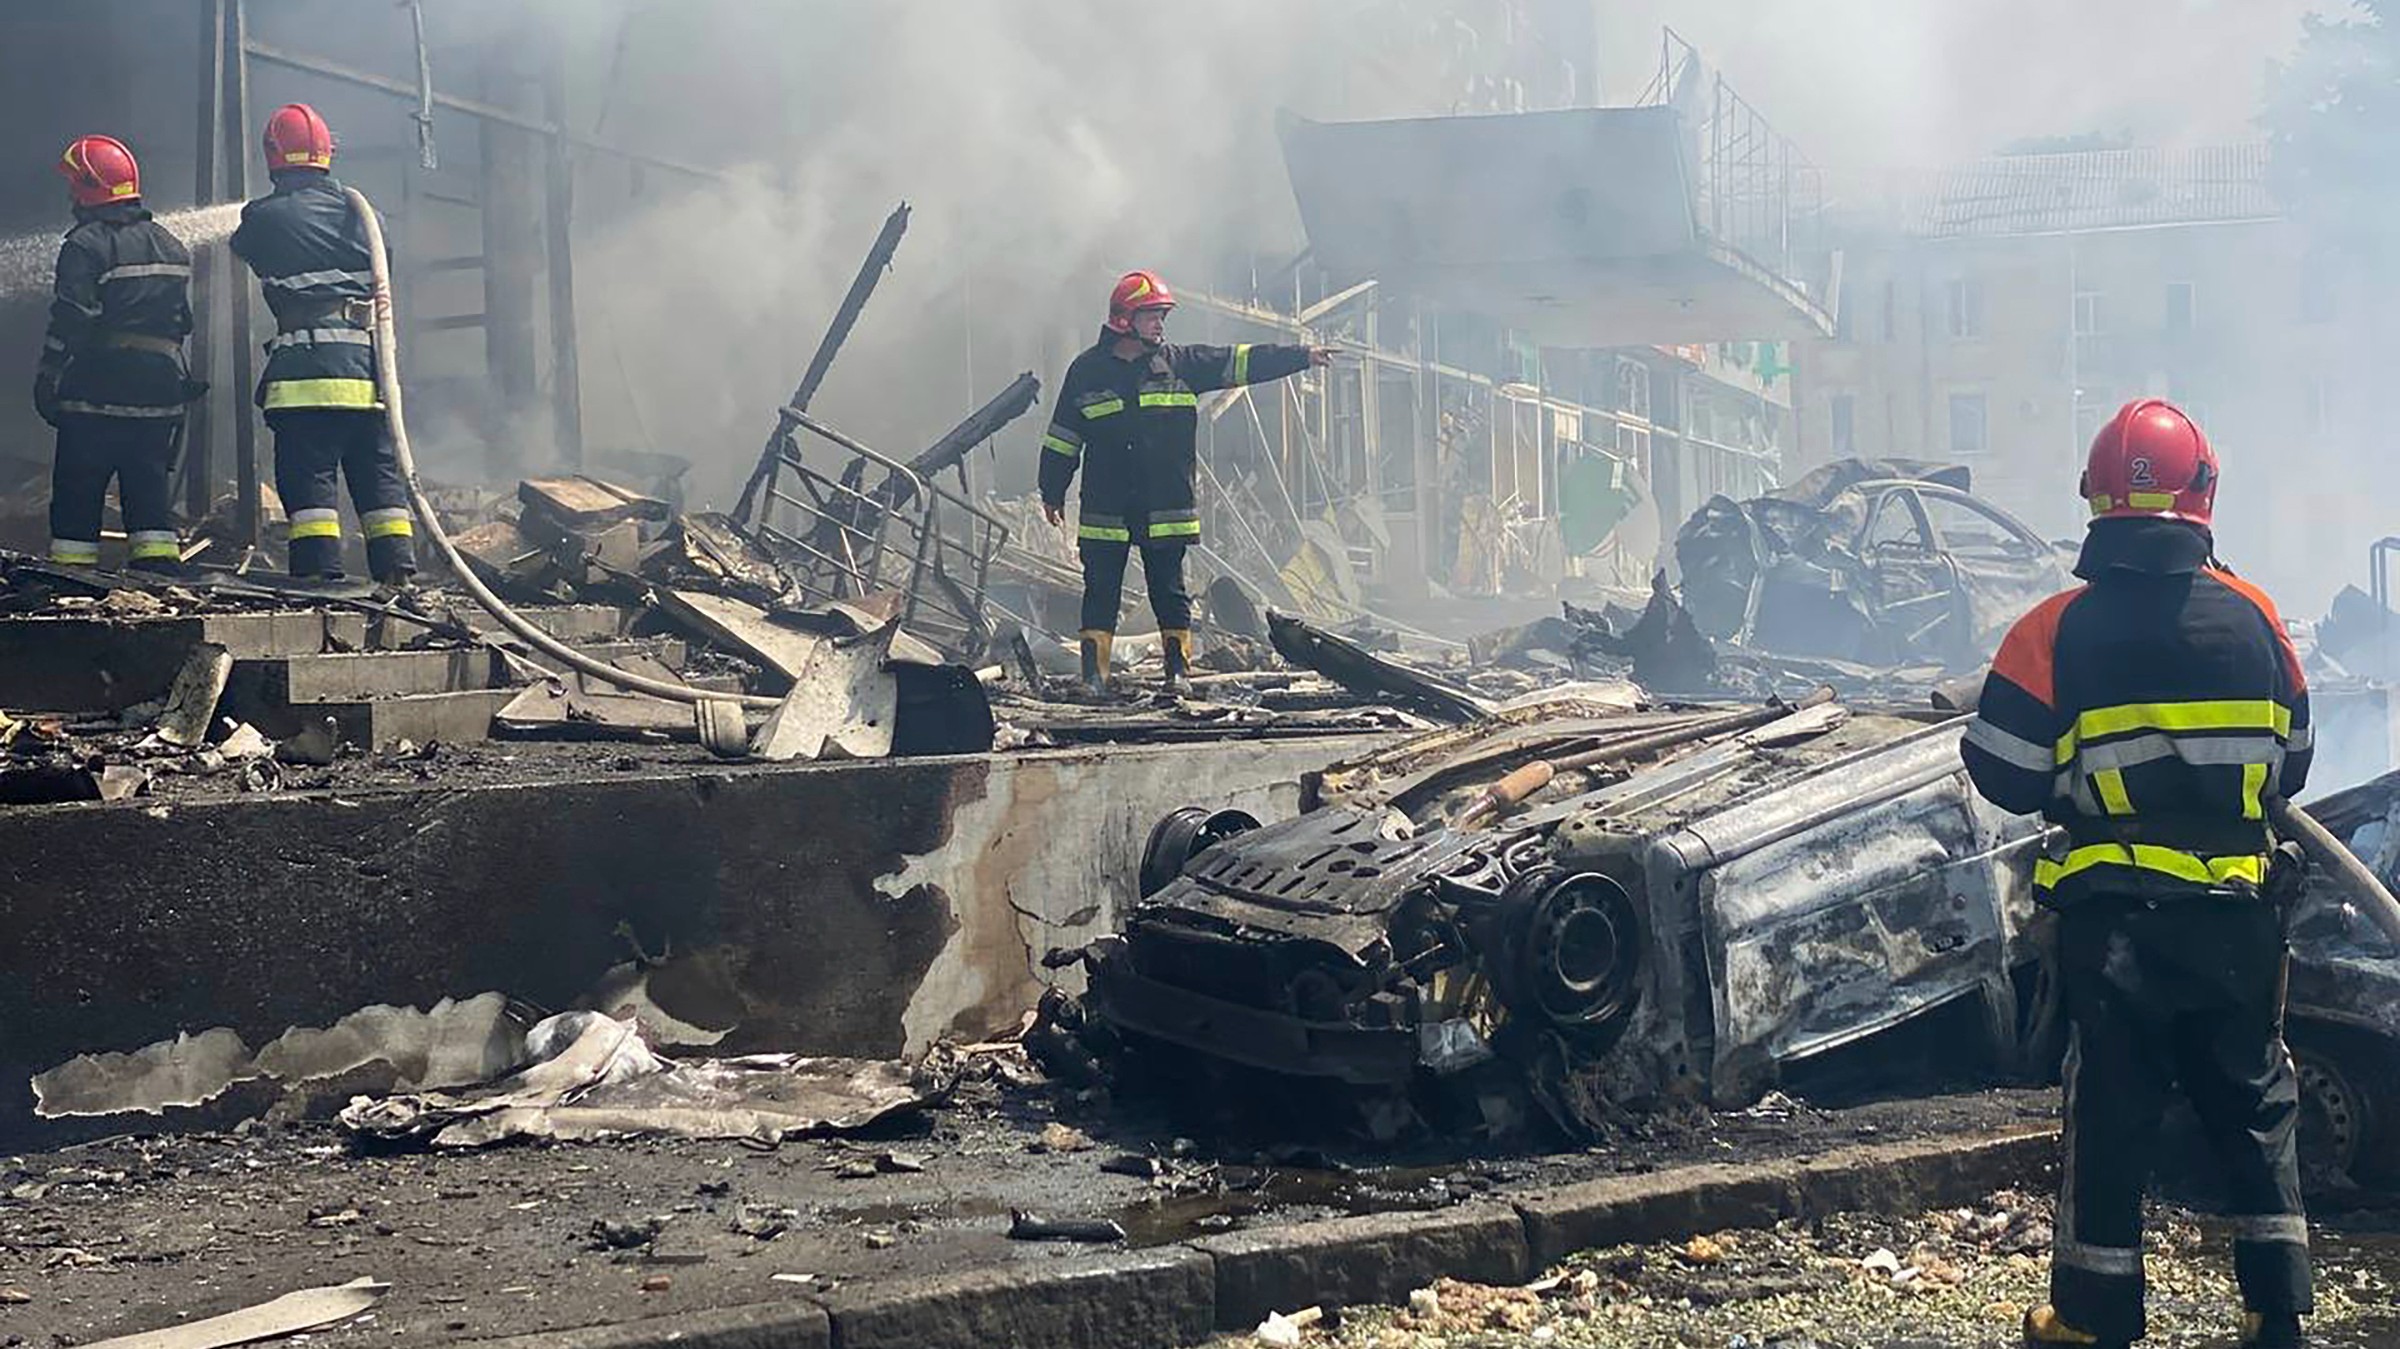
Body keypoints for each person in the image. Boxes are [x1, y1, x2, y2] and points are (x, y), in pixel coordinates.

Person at [1960, 399, 2313, 1349]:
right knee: (2255, 1102)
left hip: (2116, 924)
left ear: (2095, 497)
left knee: (2112, 1111)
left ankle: (2094, 1317)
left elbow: (2002, 771)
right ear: (2203, 494)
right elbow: (2294, 762)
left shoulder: (2053, 630)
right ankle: (2276, 1310)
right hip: (2236, 915)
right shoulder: (2257, 617)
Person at [1037, 270, 1328, 691]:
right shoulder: (1087, 372)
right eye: (1151, 315)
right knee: (1100, 591)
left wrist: (1301, 356)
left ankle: (1177, 672)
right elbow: (1063, 437)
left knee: (1169, 592)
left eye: (1162, 315)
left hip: (1165, 506)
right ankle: (1094, 677)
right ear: (1124, 319)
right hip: (1106, 507)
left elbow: (1241, 361)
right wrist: (1052, 490)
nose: (1160, 323)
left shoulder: (1182, 364)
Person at [229, 103, 415, 584]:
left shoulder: (265, 217)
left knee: (308, 477)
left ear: (273, 153)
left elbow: (243, 246)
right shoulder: (367, 216)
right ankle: (398, 576)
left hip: (307, 372)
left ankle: (320, 579)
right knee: (377, 475)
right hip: (367, 370)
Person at [38, 135, 193, 572]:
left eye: (74, 186)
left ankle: (71, 580)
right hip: (160, 393)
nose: (70, 196)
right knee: (148, 489)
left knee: (79, 488)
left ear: (87, 187)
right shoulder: (171, 244)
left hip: (98, 390)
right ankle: (160, 578)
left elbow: (73, 318)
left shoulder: (84, 245)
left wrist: (49, 373)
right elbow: (184, 321)